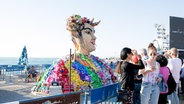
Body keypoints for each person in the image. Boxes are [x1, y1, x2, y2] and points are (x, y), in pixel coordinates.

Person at [32, 14, 115, 94]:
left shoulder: (100, 63)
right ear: (75, 35)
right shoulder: (64, 64)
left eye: (93, 33)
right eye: (88, 32)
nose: (94, 37)